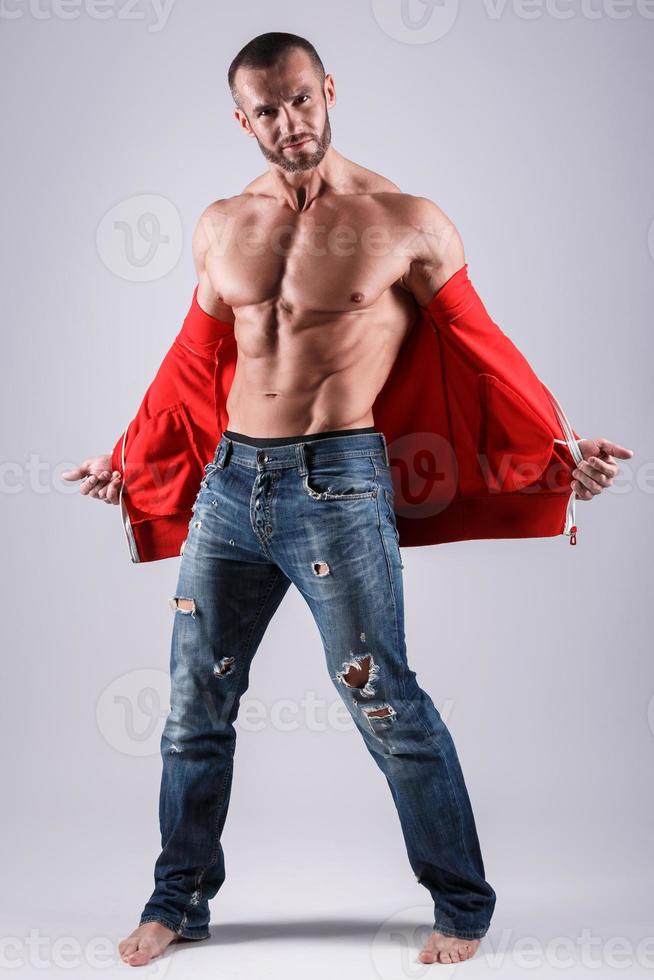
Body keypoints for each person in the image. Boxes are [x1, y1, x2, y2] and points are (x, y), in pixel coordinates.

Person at [62, 32, 632, 968]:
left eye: (300, 99)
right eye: (267, 110)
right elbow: (193, 361)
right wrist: (131, 454)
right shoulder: (220, 224)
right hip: (229, 486)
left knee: (386, 704)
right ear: (239, 118)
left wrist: (558, 448)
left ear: (328, 88)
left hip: (338, 485)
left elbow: (483, 346)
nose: (290, 124)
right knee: (191, 709)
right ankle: (180, 903)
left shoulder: (406, 220)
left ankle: (462, 902)